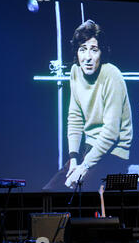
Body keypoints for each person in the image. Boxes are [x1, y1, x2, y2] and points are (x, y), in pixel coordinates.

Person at [43, 20, 133, 192]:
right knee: (50, 191)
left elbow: (111, 132)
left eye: (94, 49)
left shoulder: (112, 75)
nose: (88, 57)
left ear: (102, 52)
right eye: (82, 49)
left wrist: (84, 167)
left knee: (81, 192)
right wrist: (74, 160)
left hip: (114, 153)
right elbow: (75, 118)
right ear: (76, 52)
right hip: (89, 150)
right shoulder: (75, 72)